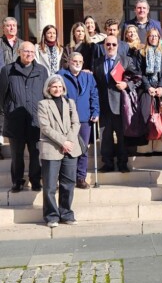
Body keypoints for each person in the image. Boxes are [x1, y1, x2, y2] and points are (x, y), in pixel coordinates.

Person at [0, 41, 49, 192]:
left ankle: (35, 180)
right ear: (19, 52)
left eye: (32, 52)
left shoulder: (42, 70)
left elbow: (46, 94)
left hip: (35, 119)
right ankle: (17, 181)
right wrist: (8, 110)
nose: (29, 54)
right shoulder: (8, 70)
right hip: (15, 120)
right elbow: (2, 95)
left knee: (35, 153)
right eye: (26, 51)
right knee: (16, 153)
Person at [38, 75, 82, 228]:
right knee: (50, 185)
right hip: (52, 148)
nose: (57, 89)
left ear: (63, 88)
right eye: (53, 86)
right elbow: (45, 127)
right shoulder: (43, 104)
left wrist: (69, 141)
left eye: (59, 86)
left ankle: (66, 214)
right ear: (48, 88)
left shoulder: (70, 103)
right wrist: (63, 141)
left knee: (68, 183)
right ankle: (51, 216)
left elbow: (76, 123)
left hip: (70, 149)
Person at [93, 35, 139, 173]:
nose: (110, 47)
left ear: (118, 46)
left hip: (120, 105)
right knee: (105, 136)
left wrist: (126, 84)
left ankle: (122, 163)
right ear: (104, 46)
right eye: (108, 45)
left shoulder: (125, 61)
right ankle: (107, 163)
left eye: (113, 44)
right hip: (103, 105)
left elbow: (138, 78)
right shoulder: (97, 62)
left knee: (121, 136)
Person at [58, 52, 100, 189]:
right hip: (66, 119)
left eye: (80, 62)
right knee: (65, 149)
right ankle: (64, 177)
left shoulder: (88, 77)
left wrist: (95, 112)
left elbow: (94, 95)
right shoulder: (60, 75)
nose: (77, 64)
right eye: (74, 61)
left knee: (82, 149)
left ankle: (80, 178)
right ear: (69, 62)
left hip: (84, 118)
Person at [137, 28, 162, 154]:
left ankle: (159, 147)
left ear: (159, 38)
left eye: (156, 36)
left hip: (160, 88)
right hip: (146, 88)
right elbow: (141, 72)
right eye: (151, 36)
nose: (154, 38)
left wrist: (161, 86)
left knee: (160, 116)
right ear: (147, 38)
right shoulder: (142, 53)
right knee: (146, 115)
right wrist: (148, 87)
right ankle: (145, 147)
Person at [0, 17, 25, 158]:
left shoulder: (22, 44)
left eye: (13, 25)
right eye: (8, 26)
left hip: (17, 82)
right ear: (3, 28)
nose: (11, 28)